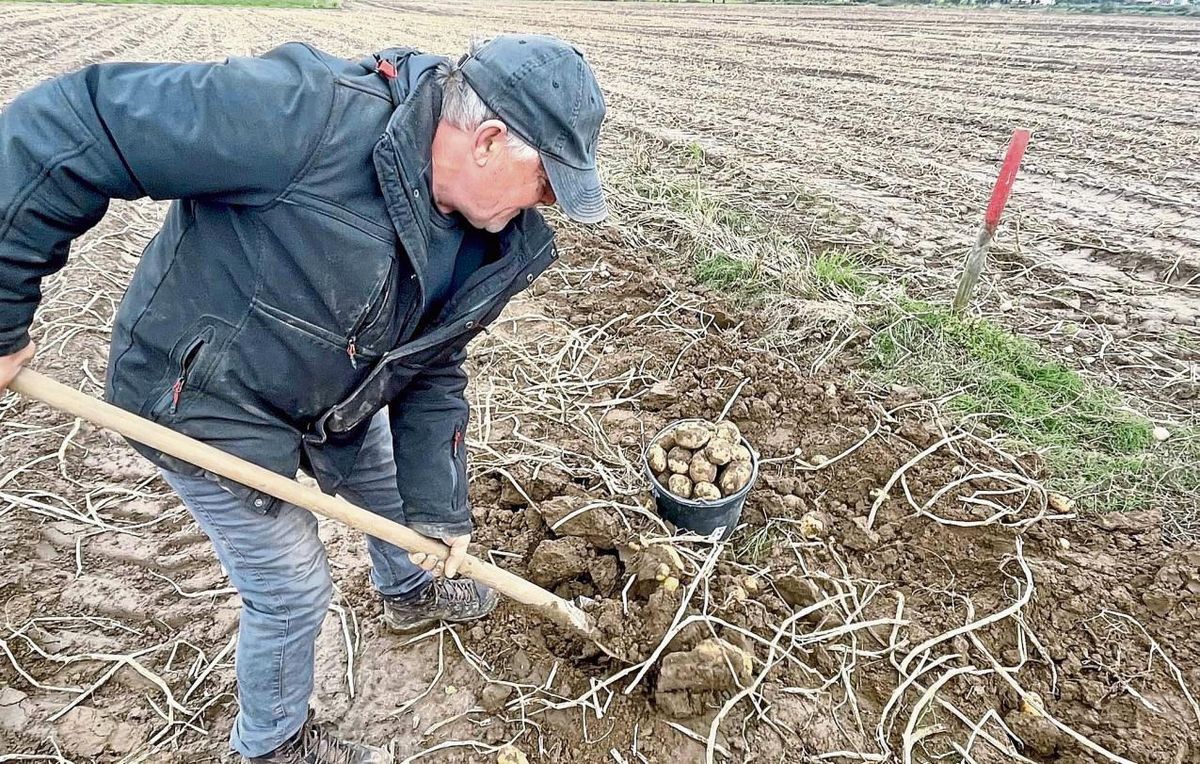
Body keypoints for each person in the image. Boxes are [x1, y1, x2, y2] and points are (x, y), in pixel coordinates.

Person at [0, 34, 606, 763]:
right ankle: (272, 744)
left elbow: (435, 367)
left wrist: (441, 512)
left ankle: (408, 590)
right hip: (204, 393)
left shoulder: (493, 242)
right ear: (490, 140)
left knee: (387, 491)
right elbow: (71, 126)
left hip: (336, 392)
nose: (548, 202)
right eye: (545, 179)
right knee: (291, 586)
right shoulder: (305, 115)